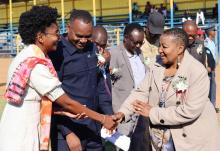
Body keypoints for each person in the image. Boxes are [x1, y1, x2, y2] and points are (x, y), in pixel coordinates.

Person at [0, 6, 116, 151]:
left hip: (33, 127)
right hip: (22, 133)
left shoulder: (30, 56)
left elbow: (44, 102)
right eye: (55, 33)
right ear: (41, 37)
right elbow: (66, 102)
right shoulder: (36, 65)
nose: (58, 37)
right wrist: (103, 119)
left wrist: (62, 112)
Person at [114, 28, 220, 151]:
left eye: (164, 47)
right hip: (162, 140)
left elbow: (190, 111)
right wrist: (122, 113)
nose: (159, 50)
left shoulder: (196, 71)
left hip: (191, 141)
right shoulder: (156, 64)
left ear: (180, 49)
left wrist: (153, 113)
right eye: (159, 45)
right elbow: (141, 92)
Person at [49, 10, 112, 151]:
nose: (83, 40)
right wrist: (67, 133)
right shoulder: (57, 53)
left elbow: (100, 86)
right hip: (68, 132)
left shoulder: (93, 48)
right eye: (79, 36)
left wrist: (109, 115)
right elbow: (52, 98)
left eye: (88, 36)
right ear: (68, 28)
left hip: (93, 128)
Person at [130, 11, 165, 151]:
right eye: (153, 32)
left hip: (158, 96)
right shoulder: (137, 43)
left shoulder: (162, 42)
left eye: (158, 32)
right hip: (140, 95)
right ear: (146, 27)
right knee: (140, 136)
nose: (156, 35)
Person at [109, 23, 146, 147]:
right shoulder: (114, 53)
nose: (138, 46)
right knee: (123, 146)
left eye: (141, 42)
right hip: (123, 110)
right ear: (125, 38)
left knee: (138, 143)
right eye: (135, 42)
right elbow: (109, 83)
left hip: (140, 109)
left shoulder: (139, 53)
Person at [92, 26, 113, 115]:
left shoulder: (105, 57)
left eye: (103, 45)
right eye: (96, 44)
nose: (99, 48)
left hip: (104, 109)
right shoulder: (85, 58)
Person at [204, 26, 218, 111]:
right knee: (209, 87)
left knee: (212, 86)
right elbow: (206, 55)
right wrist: (208, 66)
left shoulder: (211, 42)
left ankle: (212, 106)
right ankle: (210, 106)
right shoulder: (206, 42)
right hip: (209, 68)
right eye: (214, 31)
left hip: (212, 68)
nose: (215, 32)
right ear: (209, 32)